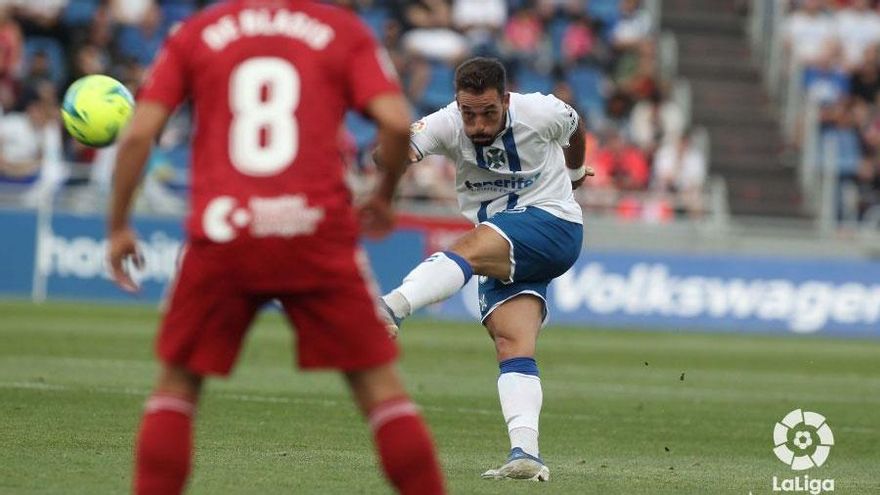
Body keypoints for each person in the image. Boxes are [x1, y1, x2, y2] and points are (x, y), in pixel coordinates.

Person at [106, 2, 445, 494]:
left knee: (177, 389)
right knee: (380, 392)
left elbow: (139, 133)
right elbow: (395, 124)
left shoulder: (197, 32)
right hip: (314, 233)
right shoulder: (340, 31)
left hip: (225, 233)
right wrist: (384, 195)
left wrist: (118, 225)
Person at [374, 57, 591, 481]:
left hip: (554, 224)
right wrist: (392, 153)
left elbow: (576, 127)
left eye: (488, 112)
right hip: (504, 242)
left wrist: (576, 170)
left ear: (506, 100)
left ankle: (390, 307)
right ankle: (526, 454)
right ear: (457, 104)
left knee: (467, 249)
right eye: (468, 113)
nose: (477, 125)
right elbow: (396, 153)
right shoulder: (447, 122)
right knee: (512, 346)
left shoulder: (540, 111)